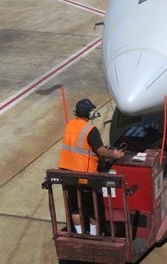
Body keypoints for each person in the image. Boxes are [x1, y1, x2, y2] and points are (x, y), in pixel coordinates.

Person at [58, 98, 124, 233]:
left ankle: (80, 234)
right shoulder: (90, 129)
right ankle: (94, 235)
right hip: (84, 175)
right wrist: (115, 154)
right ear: (91, 114)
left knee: (75, 207)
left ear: (75, 112)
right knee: (93, 207)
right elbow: (101, 151)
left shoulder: (70, 125)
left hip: (67, 173)